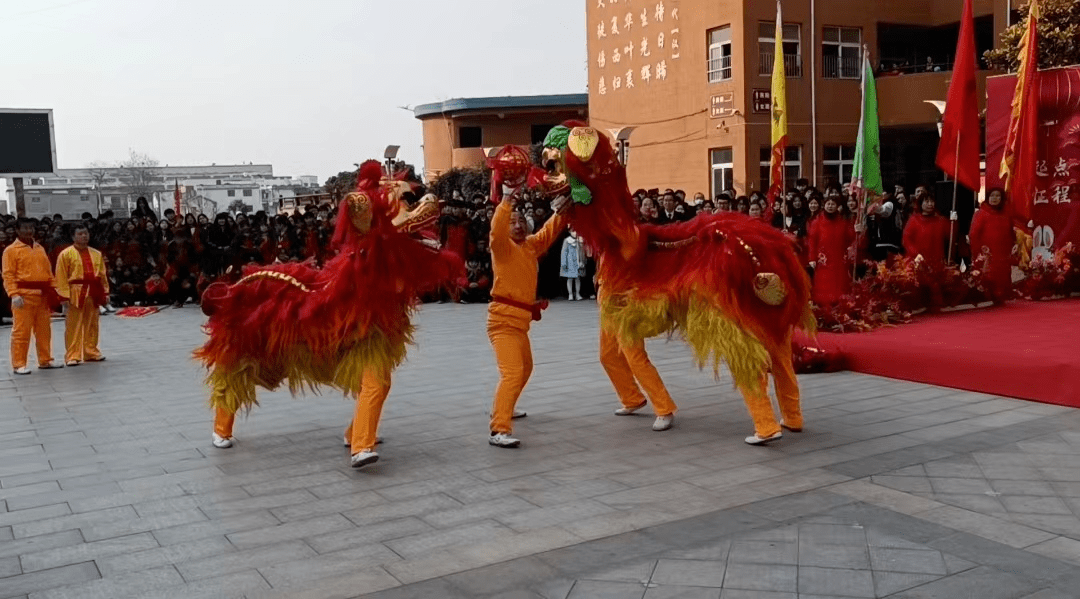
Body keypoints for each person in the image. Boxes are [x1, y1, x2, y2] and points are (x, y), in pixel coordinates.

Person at [486, 185, 569, 448]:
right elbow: (496, 231)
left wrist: (564, 209)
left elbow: (549, 232)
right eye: (513, 222)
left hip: (519, 321)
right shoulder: (502, 247)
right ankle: (499, 428)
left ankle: (505, 407)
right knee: (512, 373)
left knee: (526, 368)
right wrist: (507, 202)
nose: (518, 226)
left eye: (521, 221)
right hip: (502, 321)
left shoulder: (530, 246)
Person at [595, 254, 677, 432]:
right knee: (608, 356)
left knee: (636, 359)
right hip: (608, 306)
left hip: (625, 307)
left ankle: (664, 409)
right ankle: (632, 398)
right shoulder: (605, 242)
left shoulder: (628, 238)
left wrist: (633, 296)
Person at [2, 218, 61, 374]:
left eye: (31, 228)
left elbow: (48, 272)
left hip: (42, 295)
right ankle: (19, 363)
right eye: (25, 228)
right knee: (21, 331)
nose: (29, 231)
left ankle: (45, 360)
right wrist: (14, 294)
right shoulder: (10, 250)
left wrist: (55, 290)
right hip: (23, 296)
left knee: (44, 331)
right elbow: (8, 275)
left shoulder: (39, 247)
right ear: (17, 230)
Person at [54, 224, 109, 365]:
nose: (84, 236)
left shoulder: (96, 253)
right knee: (74, 325)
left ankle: (91, 351)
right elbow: (60, 277)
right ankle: (72, 355)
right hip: (75, 292)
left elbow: (102, 275)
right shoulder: (65, 254)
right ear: (73, 236)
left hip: (94, 290)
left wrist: (106, 292)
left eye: (86, 233)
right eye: (80, 234)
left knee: (92, 324)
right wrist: (64, 297)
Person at [808, 196, 861, 306]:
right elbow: (812, 241)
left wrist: (857, 230)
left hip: (839, 258)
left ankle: (840, 305)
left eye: (833, 204)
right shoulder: (817, 222)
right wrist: (812, 258)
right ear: (824, 206)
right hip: (823, 259)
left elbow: (850, 237)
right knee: (824, 285)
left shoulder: (843, 222)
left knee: (839, 283)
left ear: (837, 206)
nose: (830, 206)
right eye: (828, 204)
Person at [969, 188, 1016, 304]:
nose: (995, 199)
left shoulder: (1006, 214)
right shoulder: (981, 213)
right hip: (988, 252)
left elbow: (1011, 232)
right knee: (989, 276)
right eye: (992, 196)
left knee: (1003, 274)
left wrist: (1013, 244)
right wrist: (978, 251)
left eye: (998, 196)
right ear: (987, 198)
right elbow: (973, 234)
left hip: (1003, 251)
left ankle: (1001, 297)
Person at [560, 228, 586, 300]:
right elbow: (564, 252)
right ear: (570, 232)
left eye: (576, 231)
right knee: (570, 278)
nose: (575, 233)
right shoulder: (567, 241)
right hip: (570, 263)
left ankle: (577, 294)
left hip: (578, 263)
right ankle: (570, 294)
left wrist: (583, 261)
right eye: (573, 231)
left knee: (578, 278)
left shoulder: (579, 241)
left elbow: (582, 252)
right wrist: (564, 263)